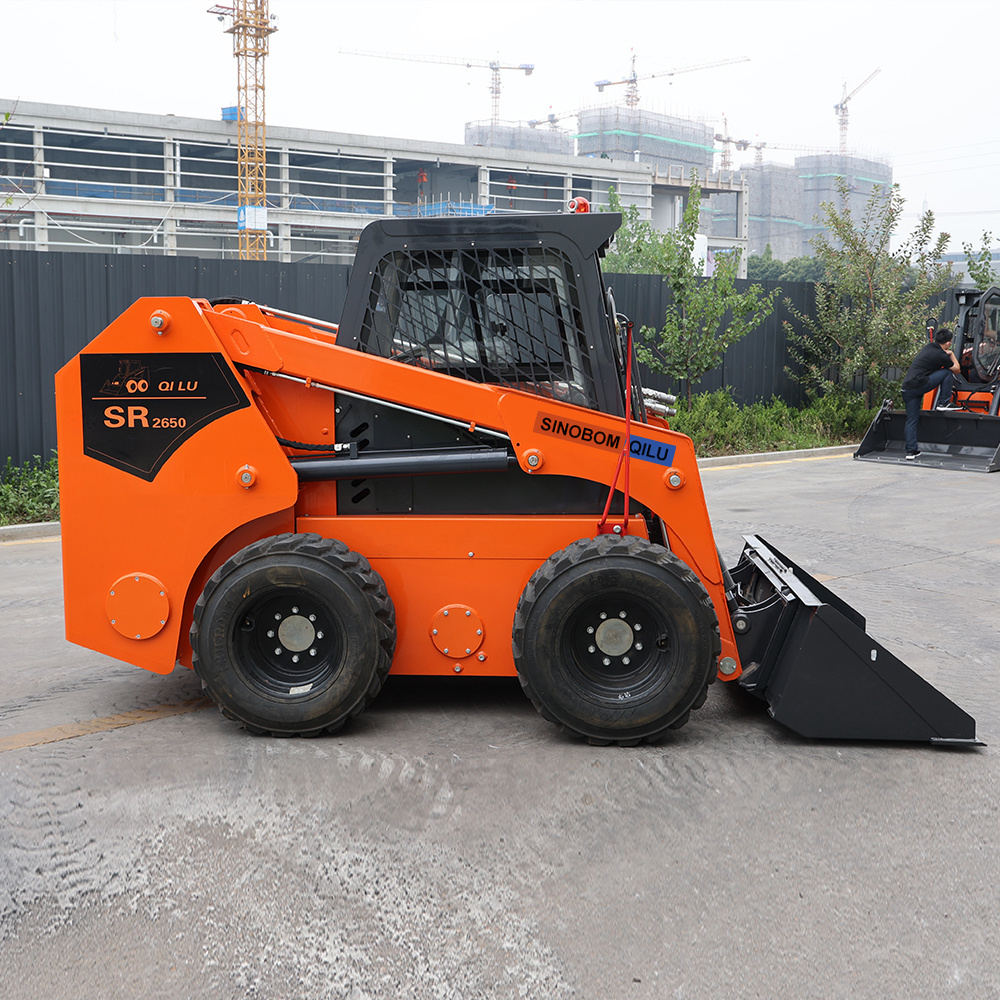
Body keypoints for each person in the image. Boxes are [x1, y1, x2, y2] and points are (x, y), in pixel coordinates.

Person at [900, 329, 961, 460]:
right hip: (919, 384)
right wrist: (951, 354)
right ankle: (943, 402)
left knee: (911, 420)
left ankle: (911, 451)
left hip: (907, 388)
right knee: (947, 373)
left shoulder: (928, 347)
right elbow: (957, 370)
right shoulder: (941, 355)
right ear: (948, 343)